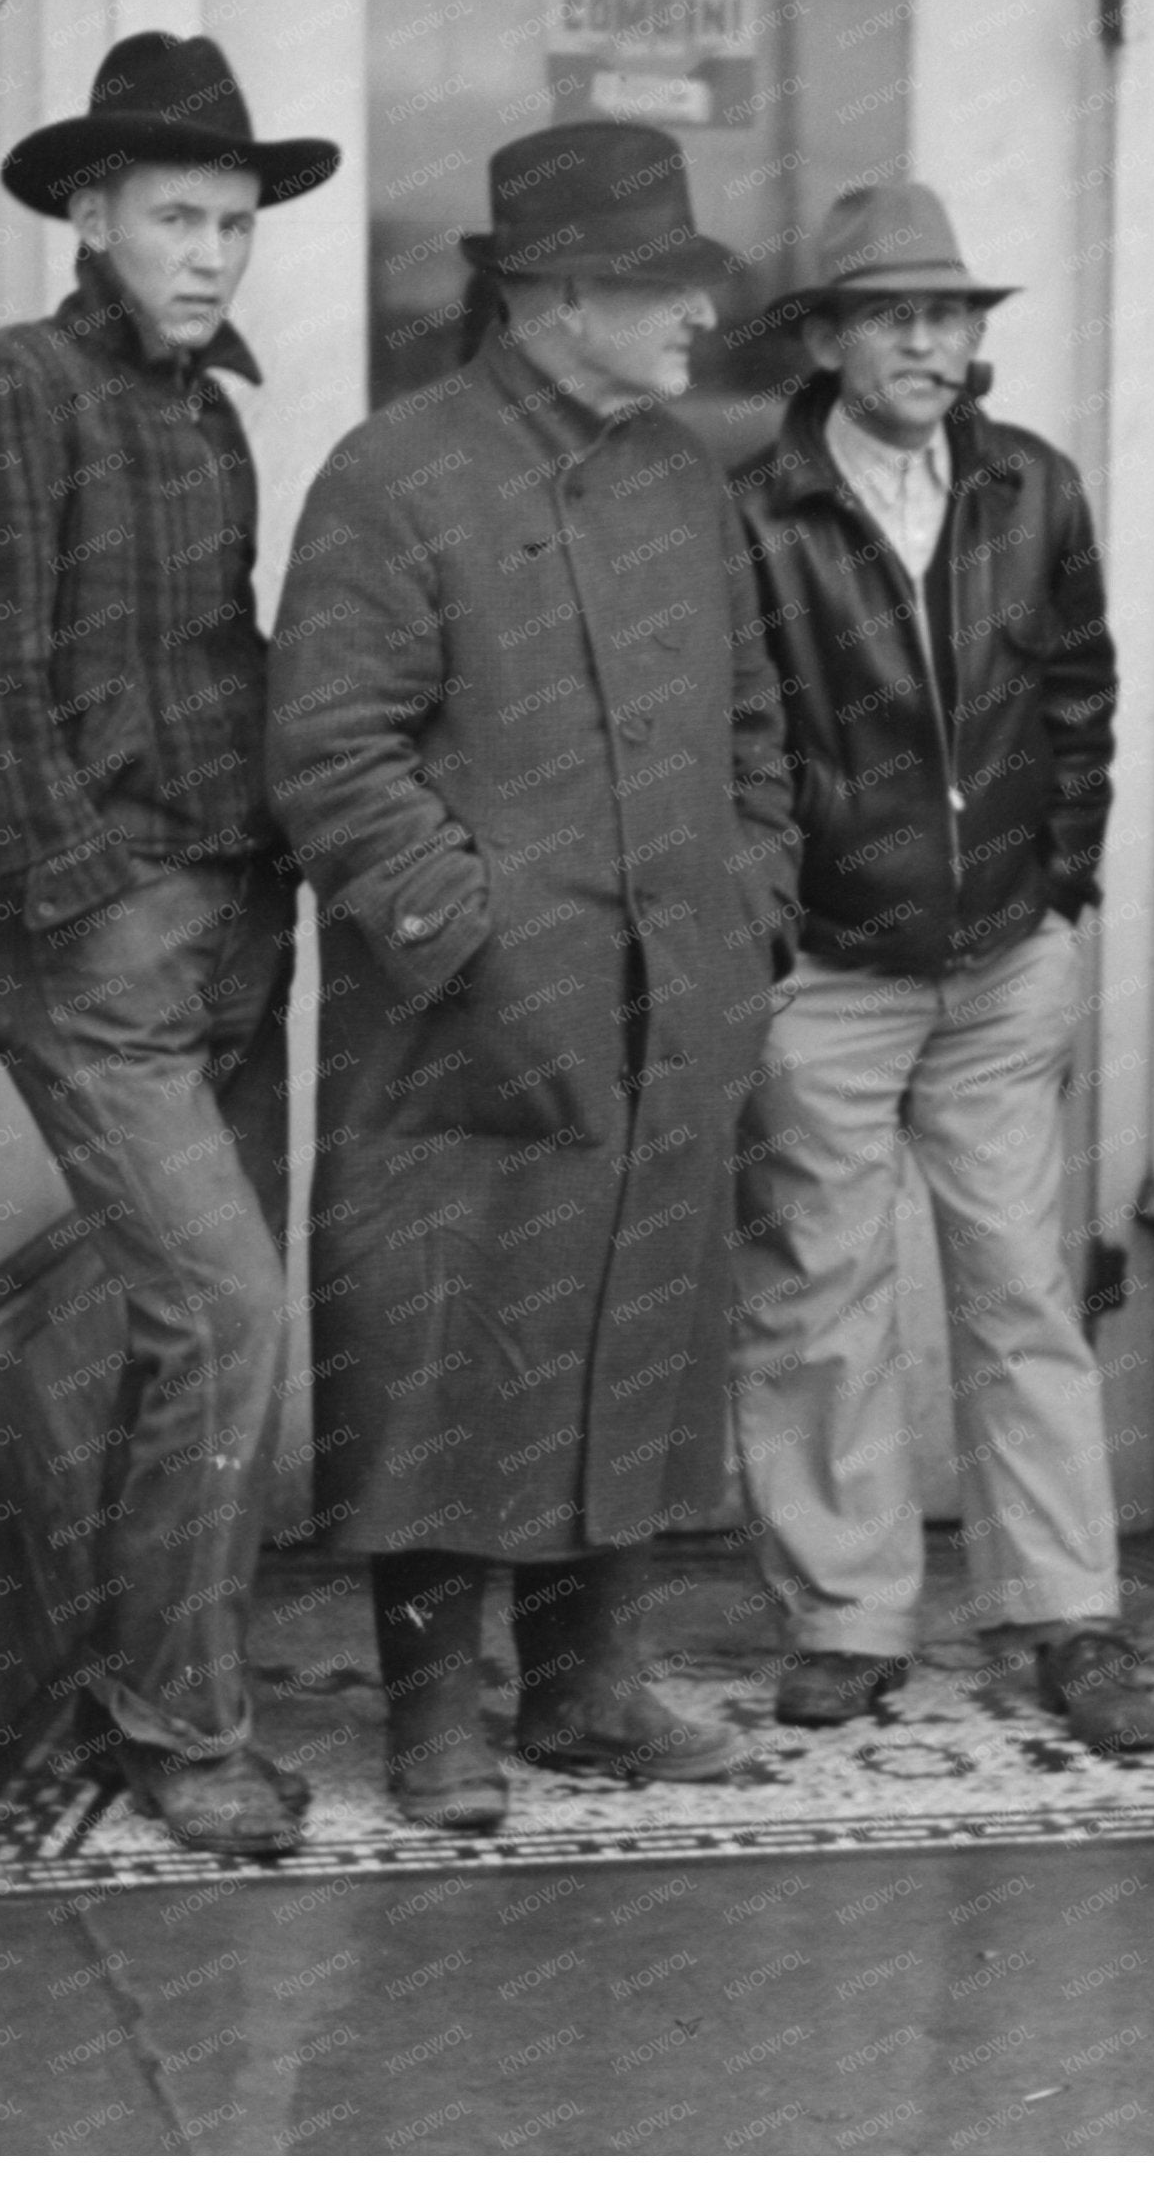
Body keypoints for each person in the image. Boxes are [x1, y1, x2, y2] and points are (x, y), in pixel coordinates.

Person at [267, 122, 801, 1835]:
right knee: (439, 1356)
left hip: (667, 1014)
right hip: (462, 1034)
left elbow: (752, 736)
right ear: (560, 295)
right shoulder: (396, 473)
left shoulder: (678, 481)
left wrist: (748, 917)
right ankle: (434, 1713)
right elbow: (331, 756)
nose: (699, 324)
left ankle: (586, 1689)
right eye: (670, 290)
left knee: (630, 1338)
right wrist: (473, 936)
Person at [0, 32, 338, 1856]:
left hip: (241, 929)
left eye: (235, 224)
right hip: (110, 951)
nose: (211, 255)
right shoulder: (21, 388)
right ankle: (181, 1719)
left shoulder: (208, 413)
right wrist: (80, 890)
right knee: (222, 1309)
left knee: (203, 1332)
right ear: (91, 215)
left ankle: (141, 1665)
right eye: (178, 215)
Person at [723, 185, 1154, 1753]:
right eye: (893, 314)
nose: (930, 340)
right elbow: (738, 739)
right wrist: (770, 928)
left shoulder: (1029, 485)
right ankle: (845, 1615)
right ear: (828, 339)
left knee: (1023, 1286)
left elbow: (1081, 693)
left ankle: (1062, 1612)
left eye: (953, 314)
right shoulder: (754, 504)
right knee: (816, 1295)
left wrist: (1062, 882)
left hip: (999, 961)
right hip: (828, 971)